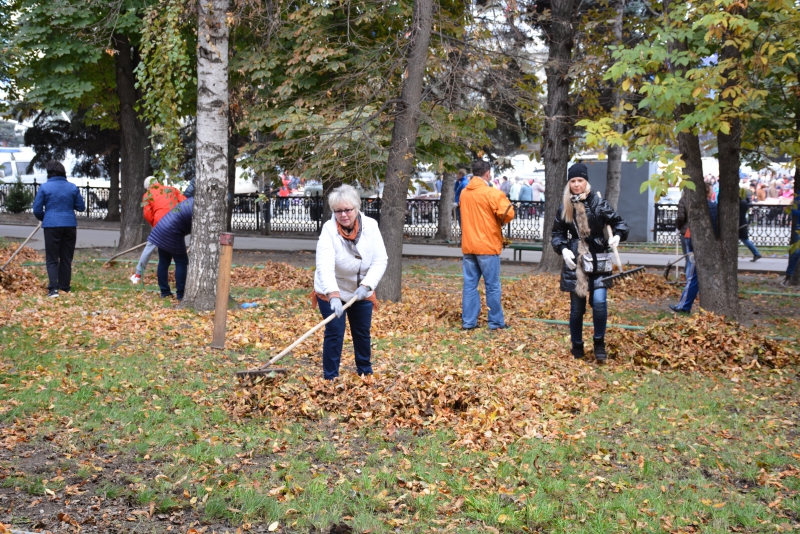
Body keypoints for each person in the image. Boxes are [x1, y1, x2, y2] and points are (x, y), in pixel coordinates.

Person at [551, 163, 628, 363]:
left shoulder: (599, 203)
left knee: (600, 303)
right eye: (573, 181)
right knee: (577, 308)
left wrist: (617, 236)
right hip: (576, 262)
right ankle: (577, 345)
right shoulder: (565, 206)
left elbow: (619, 223)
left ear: (586, 182)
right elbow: (557, 234)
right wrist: (564, 249)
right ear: (569, 184)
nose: (576, 185)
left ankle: (599, 343)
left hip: (598, 258)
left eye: (580, 181)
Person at [313, 184, 387, 380]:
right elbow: (324, 266)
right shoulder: (329, 230)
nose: (343, 215)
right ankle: (330, 378)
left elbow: (380, 260)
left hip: (361, 291)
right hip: (332, 290)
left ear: (357, 207)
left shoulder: (371, 226)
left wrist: (367, 285)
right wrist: (333, 295)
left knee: (362, 332)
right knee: (335, 332)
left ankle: (365, 372)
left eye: (348, 210)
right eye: (338, 211)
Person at [460, 160, 515, 331]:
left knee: (470, 285)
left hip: (469, 245)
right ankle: (496, 322)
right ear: (488, 173)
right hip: (488, 245)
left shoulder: (464, 193)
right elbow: (508, 214)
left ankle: (469, 322)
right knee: (492, 286)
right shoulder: (492, 193)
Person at [32, 161, 86, 298]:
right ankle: (65, 287)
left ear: (49, 173)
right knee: (66, 258)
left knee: (52, 258)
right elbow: (81, 207)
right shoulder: (72, 188)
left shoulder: (45, 188)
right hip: (69, 225)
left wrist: (45, 217)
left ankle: (53, 289)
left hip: (51, 226)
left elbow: (37, 209)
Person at [669, 184, 718, 314]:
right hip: (706, 242)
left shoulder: (691, 203)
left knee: (693, 274)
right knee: (699, 273)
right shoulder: (712, 206)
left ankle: (684, 306)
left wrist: (679, 228)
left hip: (692, 238)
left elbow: (681, 217)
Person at [130, 176, 187, 284]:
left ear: (148, 187)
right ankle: (182, 288)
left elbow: (147, 214)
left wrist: (155, 225)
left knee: (150, 250)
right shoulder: (171, 189)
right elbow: (184, 202)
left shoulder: (147, 195)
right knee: (180, 260)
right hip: (176, 224)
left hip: (160, 225)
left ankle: (138, 275)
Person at [148, 197, 194, 301]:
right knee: (182, 262)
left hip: (162, 228)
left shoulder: (193, 200)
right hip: (172, 231)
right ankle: (181, 294)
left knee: (164, 262)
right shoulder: (202, 208)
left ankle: (165, 292)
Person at [739, 188, 761, 262]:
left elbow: (740, 214)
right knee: (745, 239)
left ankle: (756, 253)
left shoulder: (740, 203)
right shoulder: (744, 202)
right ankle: (756, 253)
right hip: (743, 223)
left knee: (745, 239)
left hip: (740, 224)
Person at [782, 198, 800, 286]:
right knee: (796, 253)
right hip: (799, 229)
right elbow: (794, 210)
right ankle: (789, 276)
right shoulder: (798, 196)